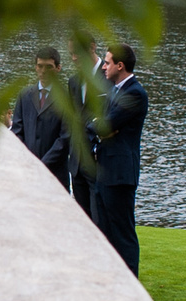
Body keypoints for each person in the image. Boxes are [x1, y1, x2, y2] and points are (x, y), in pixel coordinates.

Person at [89, 44, 149, 275]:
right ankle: (112, 281)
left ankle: (131, 282)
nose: (104, 67)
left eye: (107, 62)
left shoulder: (134, 93)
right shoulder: (114, 91)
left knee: (122, 233)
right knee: (105, 230)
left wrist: (102, 126)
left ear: (120, 65)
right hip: (104, 169)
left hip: (120, 174)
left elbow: (104, 125)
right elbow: (94, 125)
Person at [9, 46, 80, 191]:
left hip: (56, 174)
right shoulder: (24, 95)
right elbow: (17, 130)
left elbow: (65, 138)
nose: (43, 71)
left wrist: (41, 164)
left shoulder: (67, 99)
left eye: (48, 67)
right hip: (27, 171)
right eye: (40, 66)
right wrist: (26, 159)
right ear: (35, 67)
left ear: (58, 68)